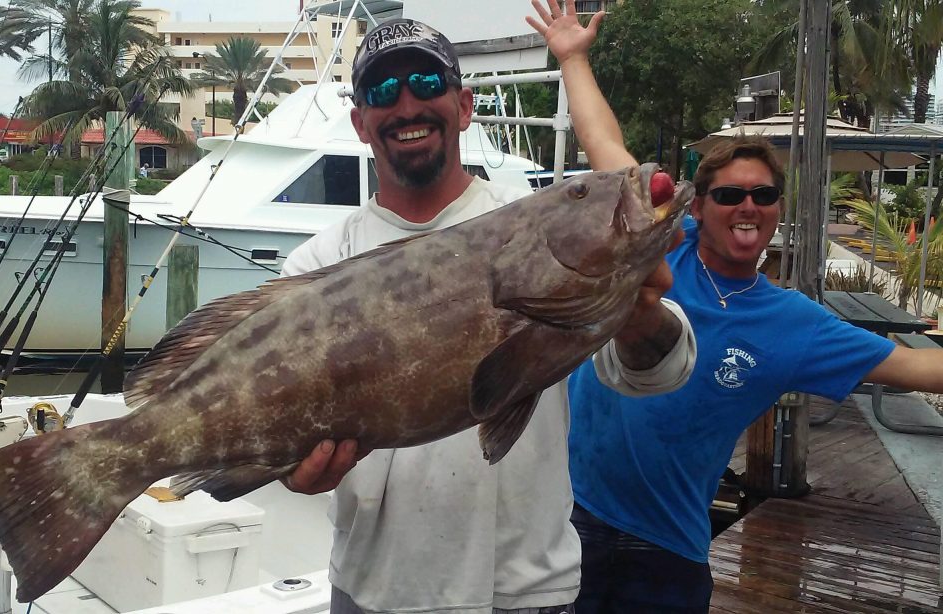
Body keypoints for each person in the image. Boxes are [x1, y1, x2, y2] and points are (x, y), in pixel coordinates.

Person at [279, 11, 698, 614]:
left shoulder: (534, 221)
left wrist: (637, 318)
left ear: (465, 105)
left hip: (524, 593)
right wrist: (294, 475)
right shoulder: (316, 264)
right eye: (381, 92)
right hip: (372, 591)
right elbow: (275, 437)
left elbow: (661, 369)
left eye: (426, 84)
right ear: (360, 123)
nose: (406, 106)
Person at [540, 1, 943, 610]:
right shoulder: (656, 249)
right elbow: (606, 144)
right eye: (729, 194)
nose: (747, 205)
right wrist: (572, 57)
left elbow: (917, 369)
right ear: (696, 205)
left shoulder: (793, 322)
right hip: (565, 516)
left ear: (779, 207)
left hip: (666, 549)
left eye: (763, 193)